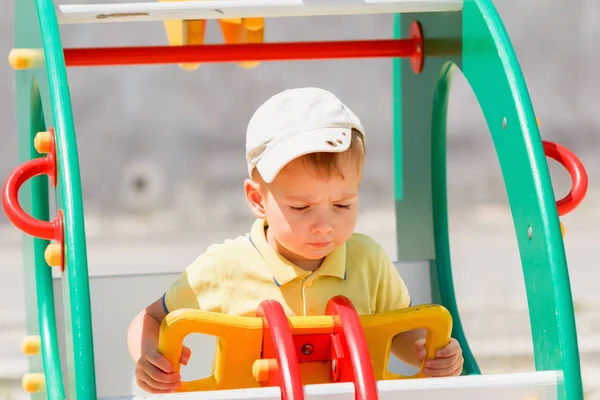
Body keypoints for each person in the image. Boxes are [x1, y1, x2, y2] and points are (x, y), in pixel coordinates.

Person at [127, 87, 464, 394]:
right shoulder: (225, 268)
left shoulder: (368, 260)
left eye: (343, 205)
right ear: (258, 200)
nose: (324, 225)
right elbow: (151, 318)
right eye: (302, 207)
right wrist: (150, 357)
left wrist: (426, 351)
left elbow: (401, 332)